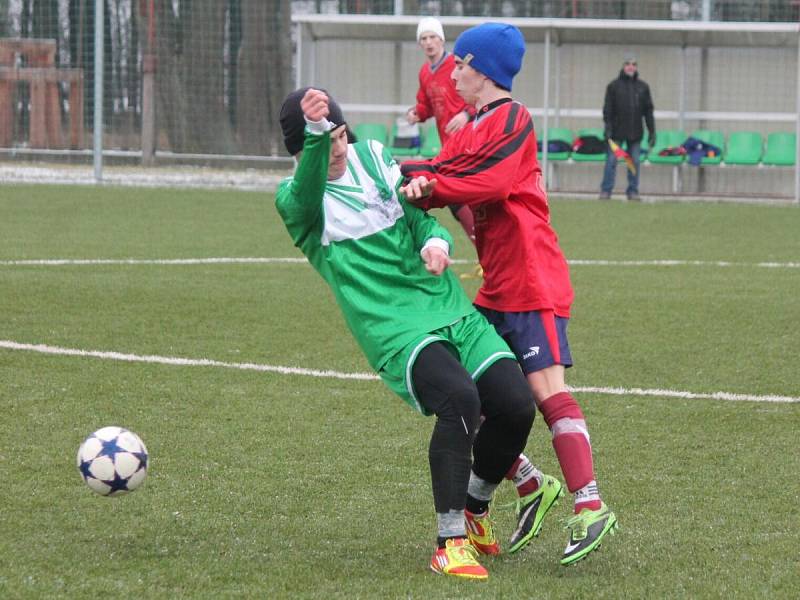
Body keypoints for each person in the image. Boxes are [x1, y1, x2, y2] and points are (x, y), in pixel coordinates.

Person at [276, 86, 548, 580]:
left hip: (446, 304)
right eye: (322, 141)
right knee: (460, 400)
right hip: (394, 327)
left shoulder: (373, 155)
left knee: (514, 404)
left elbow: (418, 220)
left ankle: (474, 506)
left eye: (340, 134)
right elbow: (310, 178)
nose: (338, 148)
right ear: (300, 151)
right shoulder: (299, 202)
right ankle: (449, 542)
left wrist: (438, 243)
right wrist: (315, 133)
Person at [400, 22, 618, 566]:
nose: (454, 70)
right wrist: (393, 172)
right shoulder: (470, 124)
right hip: (498, 284)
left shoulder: (513, 118)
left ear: (485, 70)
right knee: (478, 391)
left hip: (531, 278)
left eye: (463, 63)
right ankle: (528, 482)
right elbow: (445, 170)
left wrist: (433, 186)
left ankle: (590, 506)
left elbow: (488, 182)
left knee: (546, 392)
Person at [407, 17, 478, 254]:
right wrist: (417, 113)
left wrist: (466, 115)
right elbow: (426, 105)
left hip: (469, 139)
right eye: (424, 38)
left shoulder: (457, 66)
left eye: (432, 37)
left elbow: (479, 95)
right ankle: (486, 255)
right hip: (449, 145)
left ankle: (488, 253)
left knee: (458, 196)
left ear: (442, 39)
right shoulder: (425, 73)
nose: (428, 42)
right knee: (458, 198)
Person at [599, 53, 655, 201]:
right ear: (623, 67)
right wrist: (608, 128)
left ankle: (633, 191)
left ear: (636, 67)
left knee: (634, 161)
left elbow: (648, 111)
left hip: (635, 133)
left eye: (634, 64)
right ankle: (606, 191)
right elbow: (607, 110)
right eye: (628, 64)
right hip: (616, 133)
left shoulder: (643, 87)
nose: (631, 67)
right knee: (611, 161)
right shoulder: (613, 86)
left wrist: (652, 132)